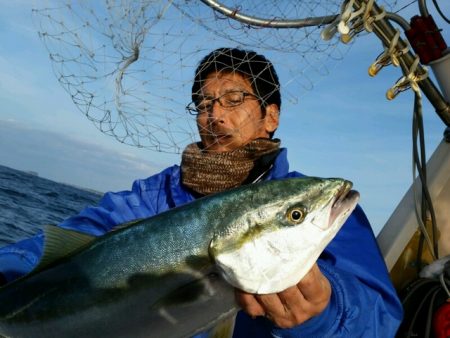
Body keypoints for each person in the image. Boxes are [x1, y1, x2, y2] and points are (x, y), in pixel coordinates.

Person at [0, 47, 403, 337]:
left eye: (234, 99)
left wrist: (326, 313)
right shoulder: (156, 193)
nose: (215, 116)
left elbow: (379, 320)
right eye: (204, 104)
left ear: (271, 116)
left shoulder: (303, 202)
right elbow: (73, 242)